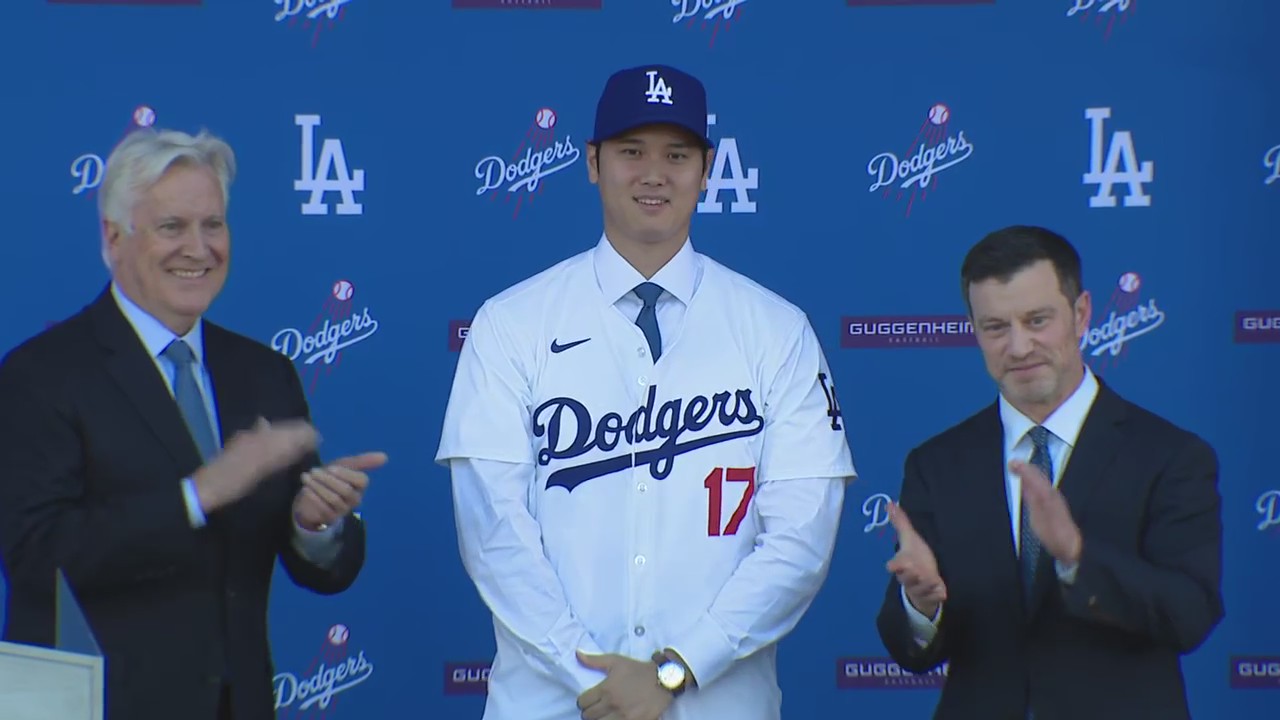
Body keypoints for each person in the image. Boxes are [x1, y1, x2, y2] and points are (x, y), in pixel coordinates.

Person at [436, 63, 856, 720]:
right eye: (632, 151)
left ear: (707, 167)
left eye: (676, 154)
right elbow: (495, 534)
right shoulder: (511, 324)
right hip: (551, 706)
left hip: (718, 705)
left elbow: (800, 539)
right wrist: (596, 677)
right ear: (592, 163)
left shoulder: (776, 330)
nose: (654, 173)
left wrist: (674, 670)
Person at [0, 127, 387, 720]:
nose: (199, 248)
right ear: (113, 238)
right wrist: (196, 495)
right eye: (172, 227)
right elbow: (36, 559)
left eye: (213, 225)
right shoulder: (41, 375)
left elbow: (326, 569)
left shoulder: (264, 374)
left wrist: (314, 524)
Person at [875, 225, 1223, 719]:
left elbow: (1190, 615)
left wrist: (1077, 557)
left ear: (1081, 314)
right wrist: (921, 605)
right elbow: (910, 649)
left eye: (1037, 320)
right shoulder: (937, 464)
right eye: (996, 327)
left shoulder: (1171, 457)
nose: (1018, 347)